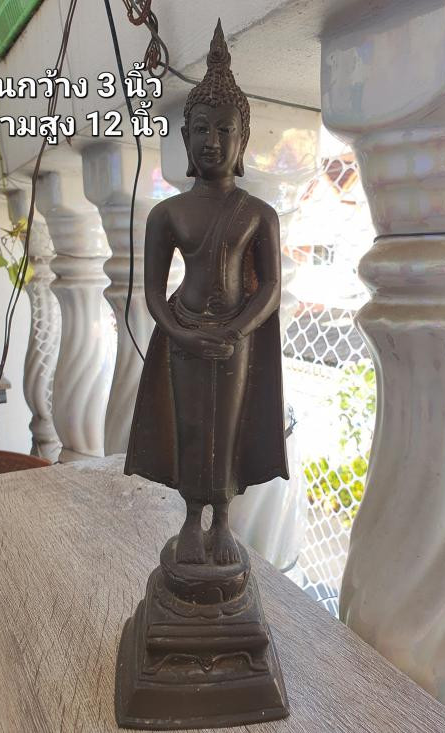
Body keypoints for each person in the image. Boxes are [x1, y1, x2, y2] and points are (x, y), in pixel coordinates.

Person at [125, 20, 288, 565]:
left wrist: (237, 329)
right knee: (191, 426)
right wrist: (180, 333)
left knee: (230, 426)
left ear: (242, 140)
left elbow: (272, 287)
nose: (211, 141)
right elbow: (152, 291)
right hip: (185, 334)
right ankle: (192, 518)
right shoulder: (166, 214)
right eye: (201, 130)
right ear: (185, 139)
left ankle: (222, 521)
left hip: (233, 338)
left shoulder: (258, 214)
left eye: (224, 130)